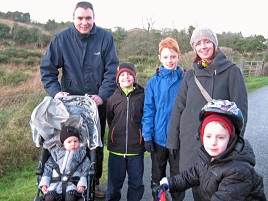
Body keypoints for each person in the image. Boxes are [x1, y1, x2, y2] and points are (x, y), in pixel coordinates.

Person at [39, 1, 119, 198]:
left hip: (95, 105)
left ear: (94, 18)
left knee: (94, 144)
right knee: (69, 142)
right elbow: (48, 70)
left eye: (88, 18)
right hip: (68, 108)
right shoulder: (61, 39)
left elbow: (111, 70)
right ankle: (61, 178)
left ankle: (94, 181)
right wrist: (56, 92)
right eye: (80, 18)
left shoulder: (105, 38)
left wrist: (102, 96)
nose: (84, 22)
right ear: (73, 18)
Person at [166, 27, 248, 200]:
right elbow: (178, 109)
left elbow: (241, 112)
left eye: (207, 41)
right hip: (190, 143)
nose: (203, 46)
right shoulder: (190, 75)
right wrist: (172, 140)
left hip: (218, 144)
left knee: (218, 190)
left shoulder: (232, 71)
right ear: (194, 48)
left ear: (215, 44)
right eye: (198, 43)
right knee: (197, 187)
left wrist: (234, 144)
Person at [161, 99, 266, 200]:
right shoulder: (209, 156)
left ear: (231, 138)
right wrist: (171, 183)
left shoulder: (238, 171)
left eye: (220, 137)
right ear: (201, 136)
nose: (213, 142)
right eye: (208, 136)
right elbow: (192, 175)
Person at [141, 37, 185, 201]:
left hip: (178, 139)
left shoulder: (186, 80)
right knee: (157, 175)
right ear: (160, 58)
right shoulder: (153, 83)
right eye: (165, 57)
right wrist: (147, 135)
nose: (169, 60)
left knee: (177, 175)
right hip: (159, 139)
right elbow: (149, 111)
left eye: (173, 56)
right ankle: (158, 198)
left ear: (178, 57)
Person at [106, 62, 145, 201]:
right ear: (118, 78)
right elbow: (110, 120)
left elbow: (145, 118)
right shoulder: (112, 99)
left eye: (129, 74)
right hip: (116, 150)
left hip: (136, 150)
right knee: (114, 186)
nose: (126, 77)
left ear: (134, 77)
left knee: (136, 184)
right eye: (122, 75)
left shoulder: (142, 96)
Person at [39, 125, 91, 201]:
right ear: (63, 144)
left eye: (75, 141)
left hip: (73, 185)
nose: (73, 144)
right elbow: (48, 169)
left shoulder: (82, 155)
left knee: (70, 198)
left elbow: (85, 171)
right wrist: (45, 183)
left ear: (79, 142)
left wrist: (82, 184)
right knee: (49, 198)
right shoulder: (56, 154)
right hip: (55, 185)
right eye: (69, 142)